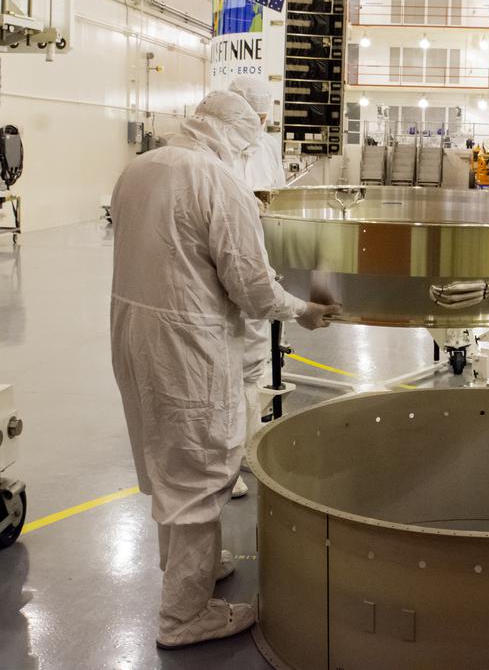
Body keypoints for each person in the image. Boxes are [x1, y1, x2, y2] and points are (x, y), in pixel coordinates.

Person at [110, 90, 339, 649]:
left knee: (167, 453)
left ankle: (193, 567)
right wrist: (305, 310)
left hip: (132, 331)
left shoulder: (141, 167)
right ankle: (183, 617)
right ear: (241, 134)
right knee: (201, 465)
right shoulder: (219, 180)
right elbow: (253, 288)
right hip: (188, 341)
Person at [226, 77, 287, 500]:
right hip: (227, 263)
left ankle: (248, 447)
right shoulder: (220, 151)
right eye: (256, 117)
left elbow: (276, 197)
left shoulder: (264, 146)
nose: (261, 125)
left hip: (258, 260)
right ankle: (225, 464)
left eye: (266, 118)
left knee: (253, 361)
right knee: (226, 367)